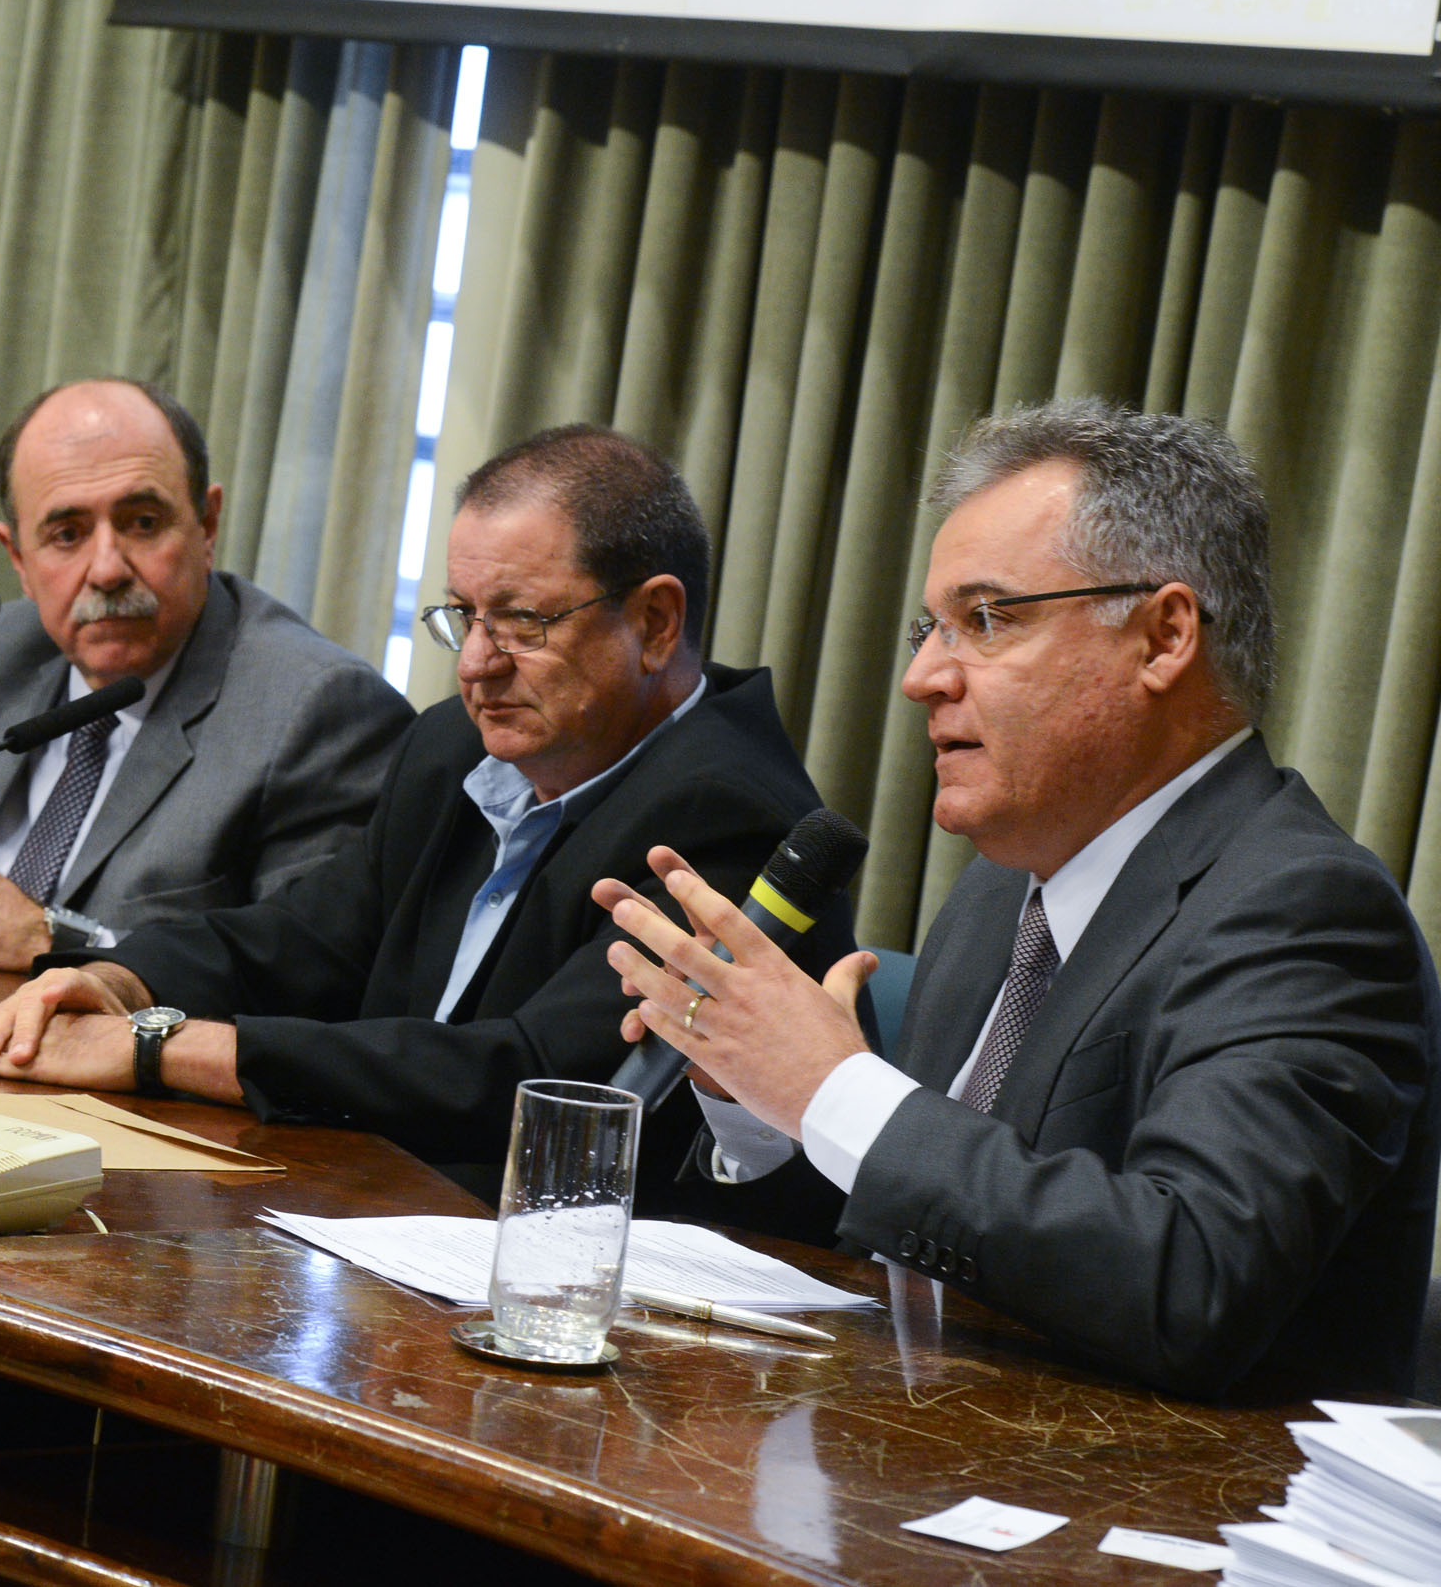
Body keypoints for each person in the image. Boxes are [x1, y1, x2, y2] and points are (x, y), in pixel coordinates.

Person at [599, 399, 1440, 1398]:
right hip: (916, 1465)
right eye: (928, 628)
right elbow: (915, 1236)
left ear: (1163, 636)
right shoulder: (1000, 893)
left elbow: (1188, 1279)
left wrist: (836, 1087)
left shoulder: (1304, 911)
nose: (918, 678)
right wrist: (763, 1106)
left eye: (984, 620)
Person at [0, 424, 859, 1237]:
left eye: (522, 622)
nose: (477, 665)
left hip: (579, 1296)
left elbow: (526, 1081)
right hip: (375, 1216)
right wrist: (119, 980)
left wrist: (161, 1045)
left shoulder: (734, 815)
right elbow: (308, 933)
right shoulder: (456, 744)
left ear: (655, 622)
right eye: (464, 619)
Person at [0, 378, 411, 971]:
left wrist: (50, 940)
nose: (107, 569)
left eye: (142, 523)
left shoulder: (314, 709)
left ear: (207, 525)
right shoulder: (1, 652)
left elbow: (304, 975)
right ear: (18, 557)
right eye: (67, 533)